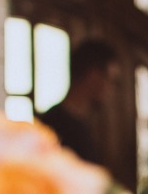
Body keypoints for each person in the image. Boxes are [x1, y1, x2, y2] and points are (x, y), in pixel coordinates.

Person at [39, 38, 117, 166]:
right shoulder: (52, 125)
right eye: (111, 80)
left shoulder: (83, 124)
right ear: (93, 76)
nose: (111, 90)